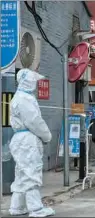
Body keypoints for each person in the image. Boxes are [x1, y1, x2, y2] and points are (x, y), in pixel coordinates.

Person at [8, 69, 55, 217]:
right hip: (27, 140)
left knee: (22, 173)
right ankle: (36, 209)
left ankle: (17, 206)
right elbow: (34, 121)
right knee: (31, 173)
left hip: (19, 139)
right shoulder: (25, 99)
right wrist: (47, 136)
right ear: (29, 81)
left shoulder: (18, 97)